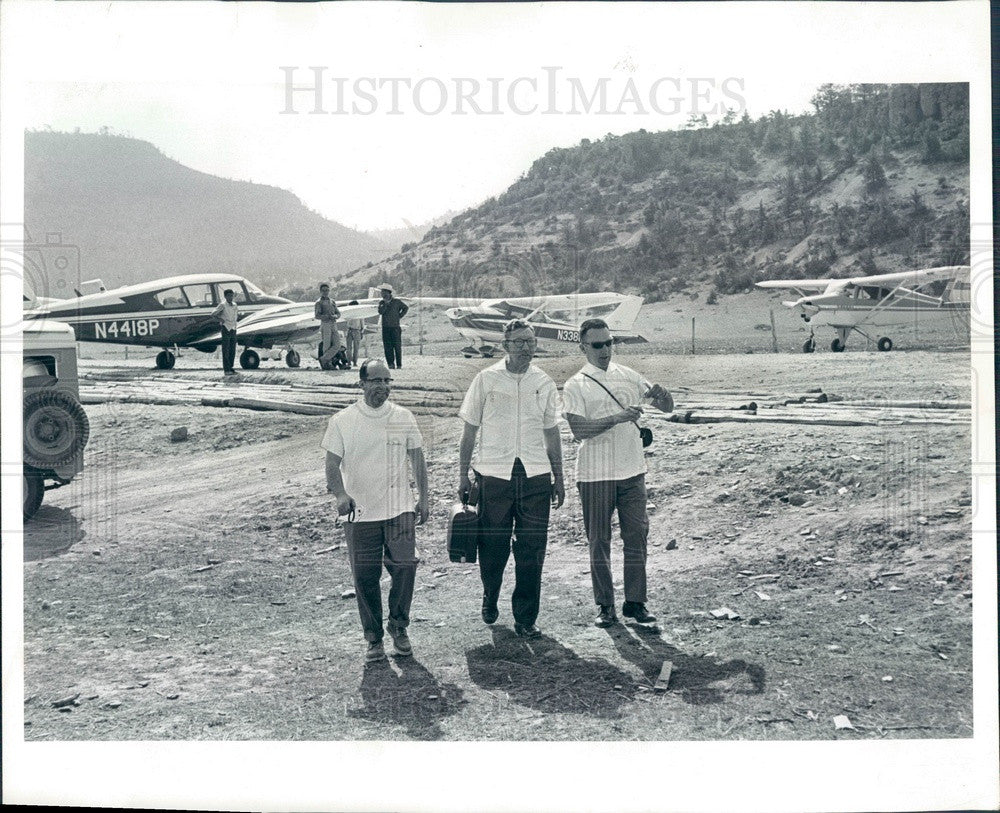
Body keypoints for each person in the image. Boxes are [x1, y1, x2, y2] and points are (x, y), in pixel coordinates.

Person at [562, 318, 674, 628]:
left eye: (610, 342)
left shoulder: (629, 375)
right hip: (595, 474)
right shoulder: (576, 384)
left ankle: (636, 603)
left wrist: (664, 396)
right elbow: (579, 429)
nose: (605, 349)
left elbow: (666, 407)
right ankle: (605, 606)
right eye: (597, 344)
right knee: (599, 540)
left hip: (631, 470)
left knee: (637, 536)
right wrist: (618, 417)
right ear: (583, 347)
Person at [457, 319, 564, 639]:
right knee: (493, 546)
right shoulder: (485, 379)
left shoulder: (543, 381)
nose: (526, 348)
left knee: (532, 549)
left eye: (530, 341)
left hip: (534, 477)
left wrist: (559, 476)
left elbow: (552, 432)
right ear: (505, 346)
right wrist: (462, 474)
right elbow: (469, 430)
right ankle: (490, 595)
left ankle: (526, 618)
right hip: (494, 476)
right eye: (518, 342)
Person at [322, 359, 430, 664]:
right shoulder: (343, 420)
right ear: (362, 384)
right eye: (376, 380)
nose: (382, 386)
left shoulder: (402, 417)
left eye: (387, 381)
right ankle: (373, 638)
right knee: (365, 577)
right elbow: (331, 465)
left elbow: (418, 459)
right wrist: (341, 494)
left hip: (399, 509)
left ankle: (399, 626)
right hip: (360, 513)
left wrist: (424, 497)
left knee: (406, 566)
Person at [377, 283, 408, 370]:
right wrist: (385, 304)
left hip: (395, 327)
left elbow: (405, 308)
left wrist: (399, 316)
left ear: (388, 292)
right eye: (381, 292)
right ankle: (390, 364)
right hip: (385, 328)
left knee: (397, 346)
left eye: (383, 292)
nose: (382, 294)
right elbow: (380, 312)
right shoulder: (382, 303)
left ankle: (399, 364)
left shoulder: (397, 302)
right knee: (387, 347)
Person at [211, 288, 239, 374]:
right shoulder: (222, 305)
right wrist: (220, 320)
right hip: (226, 328)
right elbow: (213, 314)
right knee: (226, 349)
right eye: (229, 296)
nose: (231, 297)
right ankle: (226, 369)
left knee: (232, 349)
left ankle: (231, 367)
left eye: (232, 296)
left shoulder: (235, 305)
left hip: (233, 328)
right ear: (225, 296)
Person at [315, 283, 342, 367]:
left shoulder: (332, 301)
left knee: (337, 344)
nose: (325, 292)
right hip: (325, 323)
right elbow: (317, 315)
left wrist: (334, 316)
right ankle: (328, 363)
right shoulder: (319, 302)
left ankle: (324, 359)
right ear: (320, 291)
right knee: (326, 345)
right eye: (323, 291)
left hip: (333, 323)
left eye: (327, 290)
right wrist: (326, 317)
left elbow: (338, 313)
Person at [345, 299, 364, 367]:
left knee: (351, 348)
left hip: (352, 330)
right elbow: (362, 324)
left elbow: (362, 324)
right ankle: (352, 361)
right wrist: (362, 332)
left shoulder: (353, 313)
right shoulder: (358, 313)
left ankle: (352, 361)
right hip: (355, 330)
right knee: (353, 348)